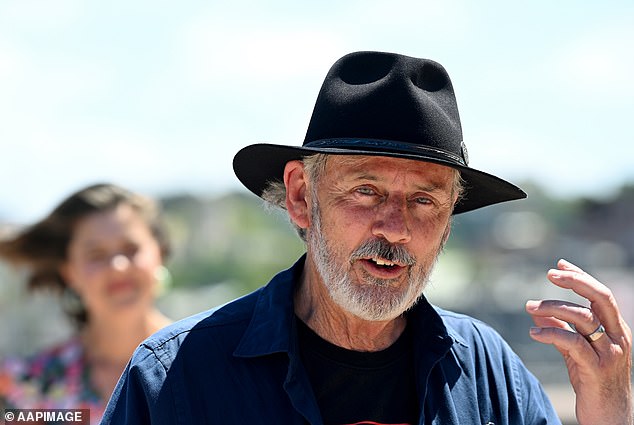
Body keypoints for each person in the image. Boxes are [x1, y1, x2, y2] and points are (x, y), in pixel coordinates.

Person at [101, 52, 632, 424]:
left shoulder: (490, 376)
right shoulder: (175, 377)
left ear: (448, 220)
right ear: (302, 197)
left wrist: (610, 413)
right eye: (366, 191)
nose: (395, 228)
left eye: (424, 200)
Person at [0, 183, 173, 423]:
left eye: (130, 249)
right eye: (97, 255)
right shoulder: (30, 386)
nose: (118, 266)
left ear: (160, 253)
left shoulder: (203, 361)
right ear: (69, 272)